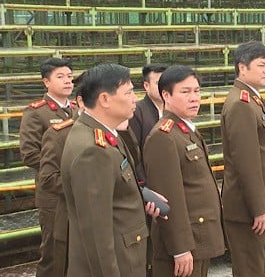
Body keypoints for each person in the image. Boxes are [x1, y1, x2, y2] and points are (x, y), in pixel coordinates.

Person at [60, 63, 165, 277]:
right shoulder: (93, 150)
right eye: (128, 93)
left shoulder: (104, 133)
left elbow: (117, 184)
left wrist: (141, 196)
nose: (134, 99)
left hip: (126, 256)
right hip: (117, 264)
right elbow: (97, 234)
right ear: (105, 100)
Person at [143, 65, 225, 277]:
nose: (194, 98)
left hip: (198, 238)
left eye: (197, 91)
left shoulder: (185, 130)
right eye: (185, 92)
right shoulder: (164, 136)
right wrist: (180, 248)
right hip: (183, 245)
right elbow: (168, 198)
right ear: (166, 95)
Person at [221, 41, 265, 277]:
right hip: (246, 208)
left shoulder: (251, 99)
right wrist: (260, 208)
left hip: (250, 205)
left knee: (254, 266)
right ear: (242, 68)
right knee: (250, 269)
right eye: (262, 65)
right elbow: (247, 163)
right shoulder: (241, 104)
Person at [19, 57, 75, 277]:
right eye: (60, 77)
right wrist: (60, 170)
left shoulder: (78, 109)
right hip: (53, 192)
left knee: (75, 248)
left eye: (69, 76)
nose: (67, 81)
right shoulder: (36, 112)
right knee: (54, 250)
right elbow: (29, 153)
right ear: (46, 82)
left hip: (76, 188)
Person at [38, 73, 87, 277]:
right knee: (55, 259)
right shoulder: (59, 133)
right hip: (63, 206)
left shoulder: (115, 131)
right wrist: (86, 189)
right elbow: (46, 174)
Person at [129, 63, 167, 184]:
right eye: (157, 83)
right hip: (149, 180)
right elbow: (134, 154)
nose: (163, 87)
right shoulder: (137, 112)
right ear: (146, 85)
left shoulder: (172, 109)